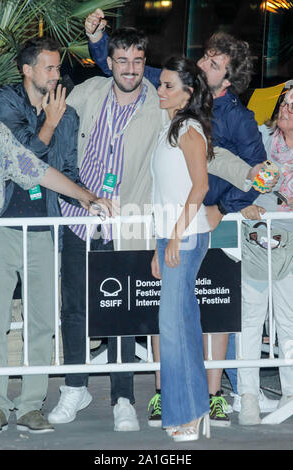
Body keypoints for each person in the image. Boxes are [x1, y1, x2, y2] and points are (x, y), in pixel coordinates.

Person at [48, 24, 259, 432]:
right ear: (110, 63)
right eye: (123, 61)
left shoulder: (168, 113)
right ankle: (82, 389)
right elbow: (56, 131)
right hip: (83, 221)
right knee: (83, 312)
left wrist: (251, 176)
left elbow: (209, 165)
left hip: (143, 229)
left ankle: (141, 402)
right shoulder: (99, 96)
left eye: (141, 64)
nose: (138, 74)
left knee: (149, 323)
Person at [0, 37, 81, 433]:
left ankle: (31, 405)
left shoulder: (69, 115)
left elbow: (67, 171)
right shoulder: (4, 104)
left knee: (42, 321)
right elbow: (22, 160)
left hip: (45, 227)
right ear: (27, 70)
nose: (56, 74)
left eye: (58, 68)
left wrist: (95, 199)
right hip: (3, 228)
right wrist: (48, 123)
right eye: (49, 67)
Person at [0, 118, 97, 433]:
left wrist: (83, 196)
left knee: (40, 322)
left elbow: (37, 170)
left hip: (21, 233)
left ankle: (29, 406)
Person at [150, 56, 212, 442]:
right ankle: (189, 408)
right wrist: (160, 244)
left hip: (186, 235)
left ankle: (188, 411)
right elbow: (165, 193)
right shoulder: (170, 128)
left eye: (168, 85)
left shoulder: (188, 129)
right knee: (178, 326)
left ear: (188, 94)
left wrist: (173, 237)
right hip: (173, 235)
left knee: (174, 328)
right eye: (161, 83)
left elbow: (200, 187)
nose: (160, 89)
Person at [237, 87, 293, 425]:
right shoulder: (260, 139)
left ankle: (290, 393)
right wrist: (244, 202)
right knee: (250, 319)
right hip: (257, 239)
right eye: (284, 102)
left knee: (288, 320)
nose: (286, 108)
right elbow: (239, 176)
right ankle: (248, 396)